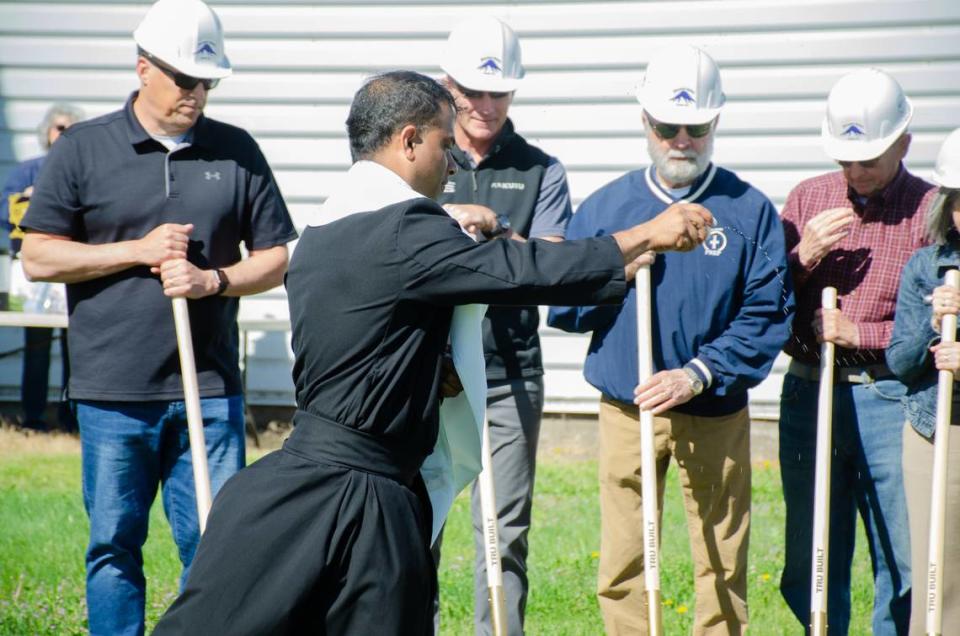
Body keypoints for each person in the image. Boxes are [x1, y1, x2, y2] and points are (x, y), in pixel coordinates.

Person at [152, 70, 714, 635]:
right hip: (358, 498)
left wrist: (429, 368)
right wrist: (646, 235)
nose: (453, 165)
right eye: (446, 145)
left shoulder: (326, 227)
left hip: (300, 480)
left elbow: (370, 336)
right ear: (409, 139)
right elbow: (523, 271)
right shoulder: (404, 225)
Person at [18, 1, 297, 634]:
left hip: (210, 389)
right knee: (115, 544)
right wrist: (137, 251)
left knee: (219, 546)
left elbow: (278, 257)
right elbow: (37, 256)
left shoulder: (235, 150)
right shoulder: (85, 149)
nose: (196, 94)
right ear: (143, 68)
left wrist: (213, 280)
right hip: (113, 392)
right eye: (184, 79)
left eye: (208, 82)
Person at [548, 45, 794, 635]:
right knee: (625, 560)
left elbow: (768, 313)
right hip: (626, 407)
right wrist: (614, 271)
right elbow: (566, 306)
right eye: (667, 125)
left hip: (713, 408)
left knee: (722, 560)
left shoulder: (749, 210)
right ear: (645, 122)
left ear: (715, 124)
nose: (681, 138)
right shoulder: (608, 208)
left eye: (697, 126)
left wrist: (698, 372)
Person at [778, 68, 936, 635]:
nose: (856, 171)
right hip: (806, 392)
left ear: (904, 143)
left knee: (901, 554)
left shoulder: (931, 210)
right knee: (812, 549)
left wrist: (860, 334)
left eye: (870, 157)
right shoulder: (807, 198)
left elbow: (937, 323)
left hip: (889, 395)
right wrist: (800, 260)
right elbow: (763, 303)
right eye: (847, 158)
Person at [431, 16, 574, 634]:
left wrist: (494, 227)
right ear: (448, 85)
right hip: (429, 370)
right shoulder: (422, 156)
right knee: (420, 519)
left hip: (508, 371)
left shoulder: (542, 169)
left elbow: (548, 268)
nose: (487, 105)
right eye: (473, 91)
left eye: (500, 92)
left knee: (504, 528)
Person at [887, 127, 960, 635]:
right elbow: (900, 362)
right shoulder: (927, 267)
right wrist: (934, 328)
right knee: (940, 573)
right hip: (939, 431)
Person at [0, 102, 84, 431]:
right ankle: (32, 418)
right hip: (31, 270)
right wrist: (28, 199)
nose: (63, 134)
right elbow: (4, 213)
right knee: (36, 344)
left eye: (71, 129)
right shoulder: (28, 171)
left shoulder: (82, 170)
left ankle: (69, 418)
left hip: (72, 265)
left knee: (73, 347)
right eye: (59, 127)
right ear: (46, 132)